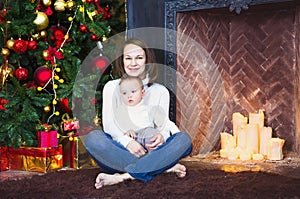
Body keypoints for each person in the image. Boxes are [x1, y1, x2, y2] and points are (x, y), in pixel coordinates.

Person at [84, 38, 192, 189]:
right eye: (128, 58)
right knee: (93, 139)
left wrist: (161, 137)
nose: (133, 63)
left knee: (183, 140)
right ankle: (159, 168)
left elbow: (163, 125)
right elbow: (109, 126)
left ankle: (124, 177)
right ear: (122, 61)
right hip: (121, 151)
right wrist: (128, 143)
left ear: (147, 60)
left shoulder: (160, 91)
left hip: (151, 149)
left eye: (139, 58)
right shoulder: (111, 87)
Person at [117, 74, 180, 152]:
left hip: (149, 140)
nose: (129, 95)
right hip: (134, 144)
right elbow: (119, 132)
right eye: (124, 93)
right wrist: (127, 133)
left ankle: (161, 159)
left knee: (152, 134)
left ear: (142, 93)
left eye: (133, 91)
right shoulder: (121, 113)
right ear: (120, 96)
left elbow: (166, 123)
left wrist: (178, 136)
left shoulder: (150, 110)